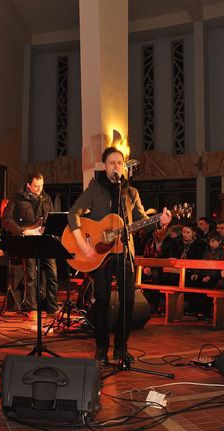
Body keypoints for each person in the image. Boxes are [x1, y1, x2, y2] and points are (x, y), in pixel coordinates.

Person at [67, 147, 171, 363]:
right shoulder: (95, 189)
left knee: (128, 301)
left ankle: (121, 348)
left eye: (119, 162)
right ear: (105, 166)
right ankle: (102, 348)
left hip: (125, 253)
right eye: (112, 162)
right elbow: (73, 212)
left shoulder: (131, 193)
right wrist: (82, 244)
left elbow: (143, 222)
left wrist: (160, 223)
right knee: (103, 300)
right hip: (100, 255)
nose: (116, 166)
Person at [2, 172, 58, 322]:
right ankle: (32, 308)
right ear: (28, 185)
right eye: (36, 186)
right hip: (28, 240)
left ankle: (53, 308)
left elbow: (51, 217)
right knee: (30, 275)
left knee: (52, 273)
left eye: (41, 185)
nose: (39, 189)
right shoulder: (17, 197)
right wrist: (22, 231)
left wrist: (49, 227)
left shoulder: (46, 198)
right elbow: (6, 219)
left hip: (45, 239)